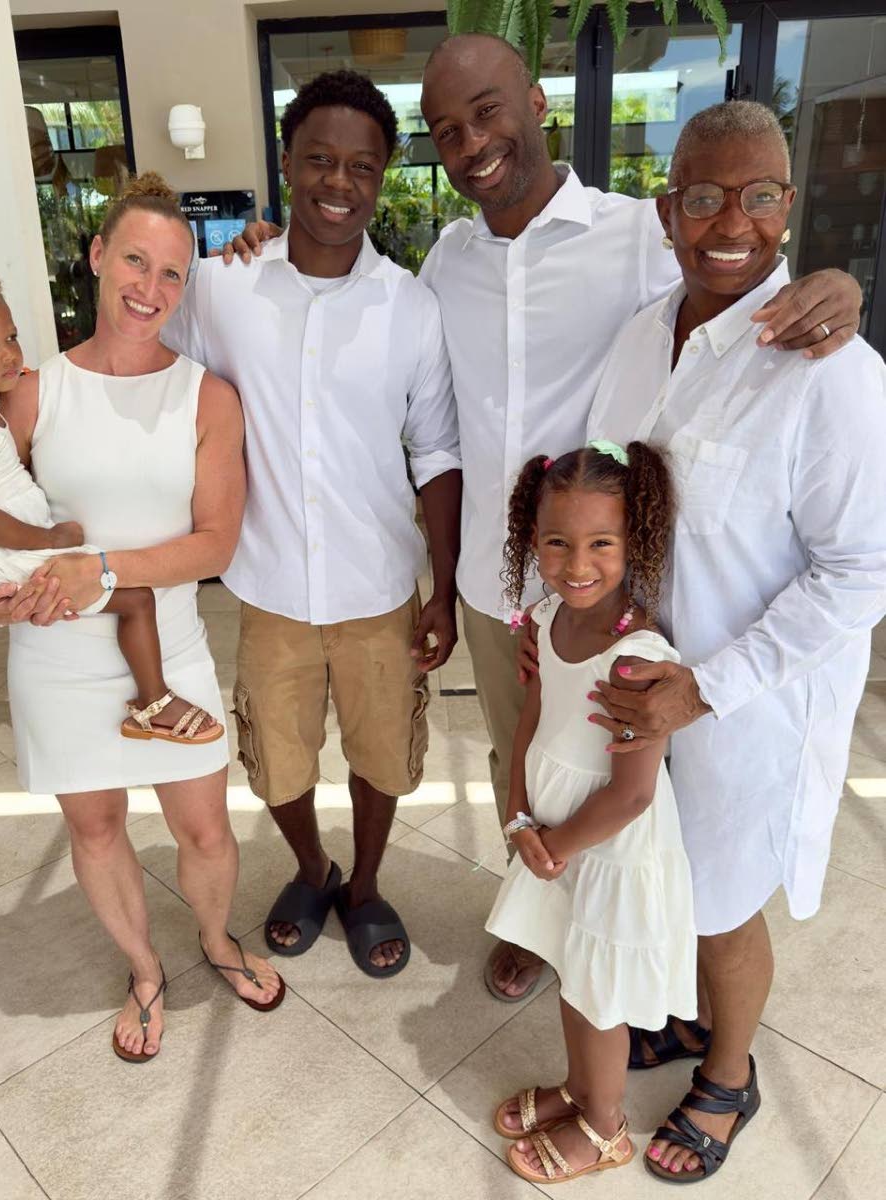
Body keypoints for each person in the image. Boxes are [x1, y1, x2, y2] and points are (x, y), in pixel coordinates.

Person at [226, 32, 865, 1005]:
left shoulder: (634, 235)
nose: (471, 140)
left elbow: (734, 267)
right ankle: (530, 908)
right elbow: (425, 416)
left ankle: (616, 937)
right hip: (495, 583)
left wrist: (832, 285)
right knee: (515, 756)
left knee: (612, 767)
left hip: (608, 585)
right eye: (446, 130)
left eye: (486, 111)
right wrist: (258, 246)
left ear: (534, 101)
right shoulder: (444, 257)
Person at [578, 101, 886, 1182]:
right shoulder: (638, 333)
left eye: (757, 195)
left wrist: (704, 689)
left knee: (718, 899)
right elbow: (608, 475)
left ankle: (729, 1076)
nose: (730, 222)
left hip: (739, 704)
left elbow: (859, 571)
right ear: (667, 211)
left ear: (787, 208)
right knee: (658, 871)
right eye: (703, 195)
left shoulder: (828, 368)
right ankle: (684, 1024)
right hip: (637, 683)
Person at [161, 70, 462, 978]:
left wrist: (442, 589)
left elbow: (437, 453)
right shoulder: (223, 289)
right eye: (320, 160)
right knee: (276, 762)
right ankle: (311, 866)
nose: (340, 183)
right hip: (269, 584)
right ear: (288, 163)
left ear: (384, 176)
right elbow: (160, 384)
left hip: (379, 588)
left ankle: (365, 884)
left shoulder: (411, 306)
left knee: (384, 755)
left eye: (361, 166)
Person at [0, 172, 284, 1064]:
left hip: (171, 645)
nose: (152, 289)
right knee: (97, 827)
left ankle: (216, 940)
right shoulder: (33, 395)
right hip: (57, 657)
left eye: (174, 275)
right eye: (136, 262)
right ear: (97, 256)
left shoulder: (207, 397)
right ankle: (144, 969)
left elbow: (215, 544)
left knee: (205, 828)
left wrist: (99, 570)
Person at [486, 440, 697, 1186]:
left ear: (633, 542)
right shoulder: (546, 618)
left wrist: (557, 844)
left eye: (601, 543)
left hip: (606, 849)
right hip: (555, 836)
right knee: (574, 973)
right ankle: (579, 1093)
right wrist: (518, 811)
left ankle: (606, 1128)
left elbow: (633, 793)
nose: (578, 563)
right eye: (558, 542)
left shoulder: (636, 656)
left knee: (597, 994)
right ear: (531, 541)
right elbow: (533, 718)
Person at [0, 265, 223, 748]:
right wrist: (51, 539)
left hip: (9, 547)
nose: (9, 352)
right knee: (136, 600)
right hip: (8, 551)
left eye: (10, 336)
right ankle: (153, 702)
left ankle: (150, 700)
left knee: (130, 598)